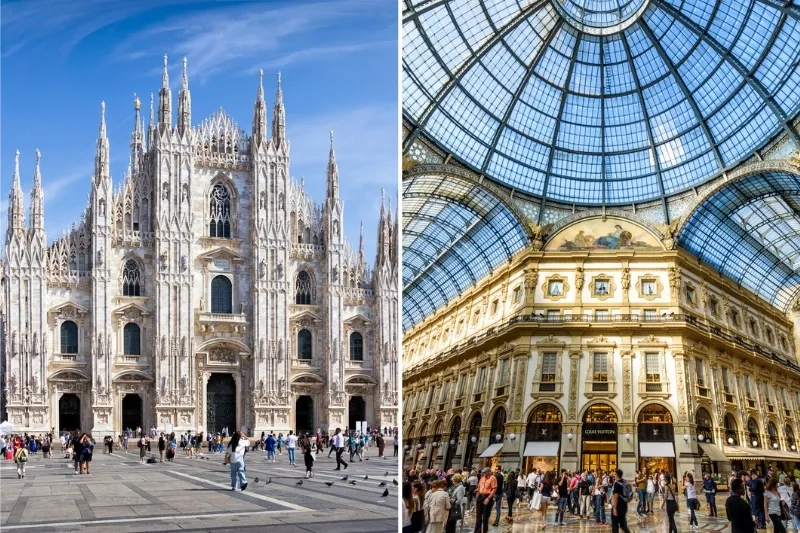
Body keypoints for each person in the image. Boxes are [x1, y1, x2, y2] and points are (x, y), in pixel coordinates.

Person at [474, 467, 497, 533]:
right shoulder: (482, 478)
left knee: (485, 517)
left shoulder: (493, 478)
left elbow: (494, 489)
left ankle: (484, 531)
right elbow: (479, 487)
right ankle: (477, 531)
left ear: (489, 472)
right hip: (480, 497)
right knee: (478, 516)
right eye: (483, 472)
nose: (483, 473)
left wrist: (488, 498)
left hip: (487, 497)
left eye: (484, 472)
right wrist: (477, 490)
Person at [611, 469, 632, 533]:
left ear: (616, 475)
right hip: (624, 505)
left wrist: (614, 508)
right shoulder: (624, 482)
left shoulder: (617, 484)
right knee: (623, 524)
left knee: (615, 524)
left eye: (614, 474)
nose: (614, 475)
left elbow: (616, 496)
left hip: (618, 507)